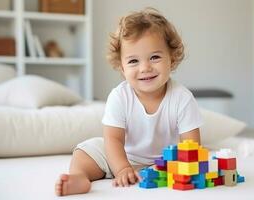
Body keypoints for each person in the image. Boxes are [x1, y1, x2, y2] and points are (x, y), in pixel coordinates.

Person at [55, 7, 203, 196]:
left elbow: (191, 145)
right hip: (122, 156)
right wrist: (122, 168)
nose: (145, 68)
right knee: (86, 150)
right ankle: (79, 178)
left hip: (164, 163)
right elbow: (113, 139)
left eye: (155, 57)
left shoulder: (182, 98)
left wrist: (184, 168)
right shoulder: (119, 96)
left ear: (171, 60)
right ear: (122, 67)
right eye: (133, 61)